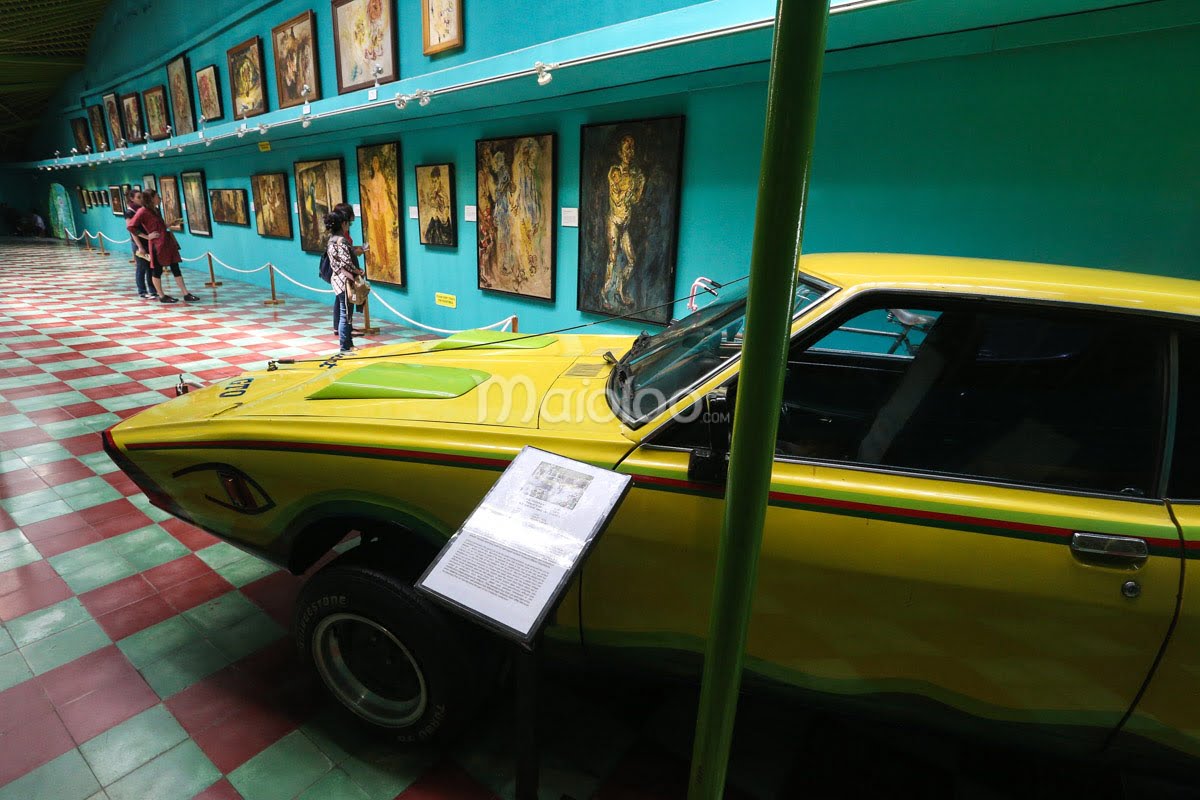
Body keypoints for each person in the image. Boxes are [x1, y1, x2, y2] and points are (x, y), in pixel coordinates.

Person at [128, 188, 199, 303]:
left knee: (175, 267)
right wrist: (147, 236)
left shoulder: (155, 210)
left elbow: (159, 226)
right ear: (151, 198)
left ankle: (185, 293)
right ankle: (161, 295)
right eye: (157, 196)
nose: (159, 198)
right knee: (157, 270)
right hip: (157, 245)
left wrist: (170, 224)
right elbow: (131, 227)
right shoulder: (143, 211)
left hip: (166, 242)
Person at [325, 209, 364, 353]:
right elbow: (346, 262)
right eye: (348, 223)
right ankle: (345, 346)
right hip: (345, 281)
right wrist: (357, 271)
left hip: (337, 279)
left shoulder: (331, 240)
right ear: (343, 224)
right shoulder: (341, 241)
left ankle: (348, 344)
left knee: (346, 314)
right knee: (346, 315)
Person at [331, 202, 366, 333]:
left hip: (341, 274)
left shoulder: (337, 236)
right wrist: (357, 271)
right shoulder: (340, 237)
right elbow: (345, 259)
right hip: (344, 275)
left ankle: (344, 330)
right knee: (345, 305)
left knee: (342, 302)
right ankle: (345, 337)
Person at [124, 190, 153, 299]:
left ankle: (153, 289)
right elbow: (132, 230)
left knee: (151, 266)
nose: (141, 199)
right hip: (139, 244)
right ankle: (142, 291)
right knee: (142, 267)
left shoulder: (144, 210)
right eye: (138, 197)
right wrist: (140, 246)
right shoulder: (129, 212)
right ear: (132, 199)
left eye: (142, 197)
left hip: (148, 242)